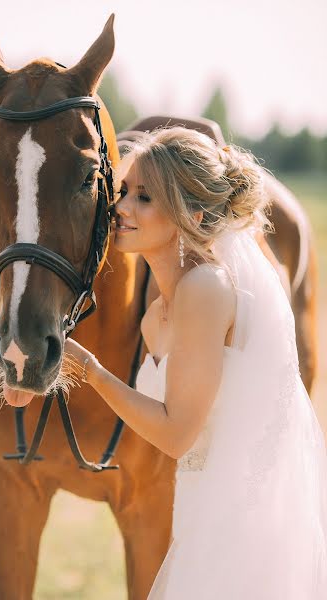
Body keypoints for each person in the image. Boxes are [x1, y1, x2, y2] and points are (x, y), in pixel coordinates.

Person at [64, 127, 327, 598]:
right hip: (197, 512)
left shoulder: (205, 290)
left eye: (143, 198)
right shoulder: (155, 318)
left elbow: (176, 433)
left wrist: (92, 371)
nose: (120, 208)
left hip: (238, 530)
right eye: (124, 191)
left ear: (193, 212)